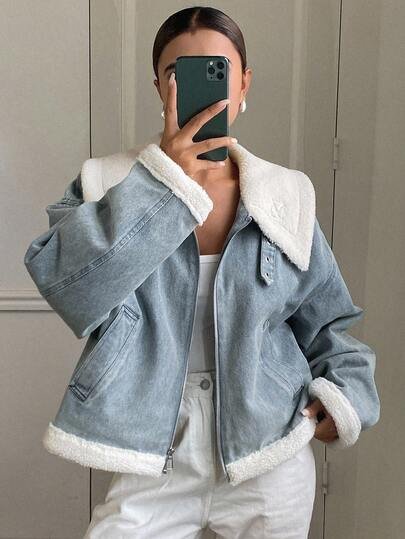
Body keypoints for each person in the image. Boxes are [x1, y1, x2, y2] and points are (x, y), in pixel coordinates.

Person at [23, 6, 380, 538]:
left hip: (267, 447)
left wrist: (344, 398)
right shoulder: (106, 182)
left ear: (243, 83)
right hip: (151, 442)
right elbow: (68, 286)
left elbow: (327, 321)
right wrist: (162, 184)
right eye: (177, 72)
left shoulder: (285, 194)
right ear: (159, 87)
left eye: (218, 70)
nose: (198, 88)